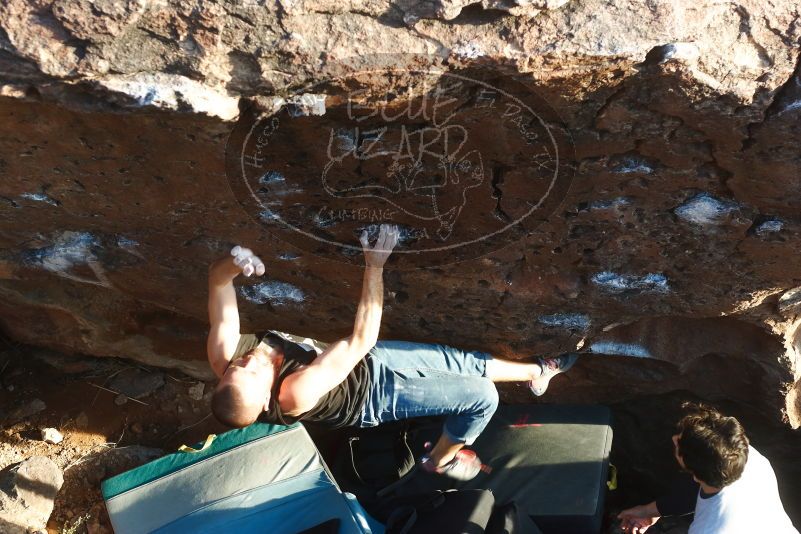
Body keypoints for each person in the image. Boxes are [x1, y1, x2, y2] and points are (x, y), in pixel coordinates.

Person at [206, 224, 578, 481]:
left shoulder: (225, 356)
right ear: (264, 397)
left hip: (368, 362)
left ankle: (535, 374)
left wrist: (236, 262)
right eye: (252, 372)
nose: (249, 360)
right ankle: (439, 460)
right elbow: (360, 338)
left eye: (238, 365)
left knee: (459, 361)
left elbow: (216, 280)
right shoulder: (295, 392)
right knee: (481, 397)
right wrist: (374, 264)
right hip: (374, 397)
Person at [617, 403, 797, 534]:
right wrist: (649, 511)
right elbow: (697, 489)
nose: (674, 438)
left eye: (679, 443)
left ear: (691, 467)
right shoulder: (744, 456)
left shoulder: (708, 530)